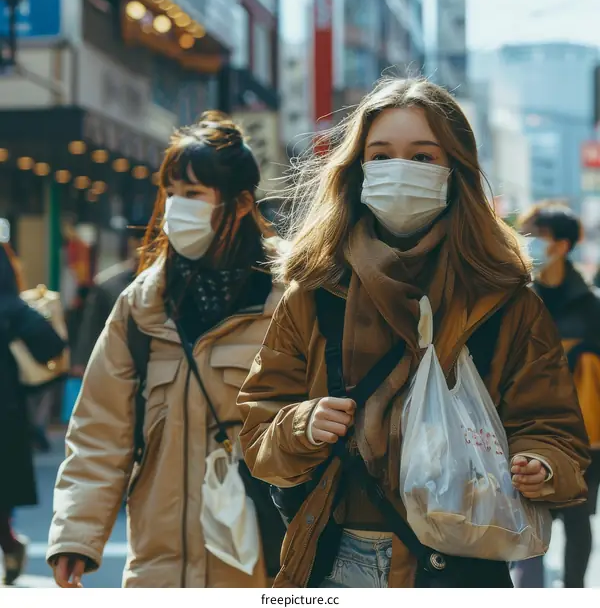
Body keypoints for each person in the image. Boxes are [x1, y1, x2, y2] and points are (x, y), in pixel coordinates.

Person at [237, 77, 591, 589]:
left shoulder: (505, 301)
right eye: (380, 156)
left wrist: (541, 463)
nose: (399, 170)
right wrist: (304, 424)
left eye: (423, 157)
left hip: (460, 561)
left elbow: (554, 428)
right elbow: (259, 431)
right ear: (357, 170)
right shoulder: (315, 291)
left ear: (457, 170)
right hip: (334, 559)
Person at [46, 112, 283, 588]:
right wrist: (76, 535)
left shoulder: (289, 297)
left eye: (193, 194)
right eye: (171, 193)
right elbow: (100, 428)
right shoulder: (142, 304)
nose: (177, 208)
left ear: (239, 204)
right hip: (160, 563)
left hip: (262, 561)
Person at [512, 203, 600, 588]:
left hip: (584, 433)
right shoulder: (517, 301)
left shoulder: (592, 305)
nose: (527, 243)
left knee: (578, 520)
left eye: (537, 236)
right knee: (527, 519)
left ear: (562, 245)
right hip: (523, 425)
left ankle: (575, 591)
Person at [0, 243, 66, 585]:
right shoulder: (12, 308)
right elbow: (52, 346)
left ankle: (10, 546)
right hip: (7, 417)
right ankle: (11, 546)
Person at [70, 230, 144, 375]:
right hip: (117, 365)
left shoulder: (168, 281)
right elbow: (92, 327)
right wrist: (81, 361)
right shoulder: (108, 285)